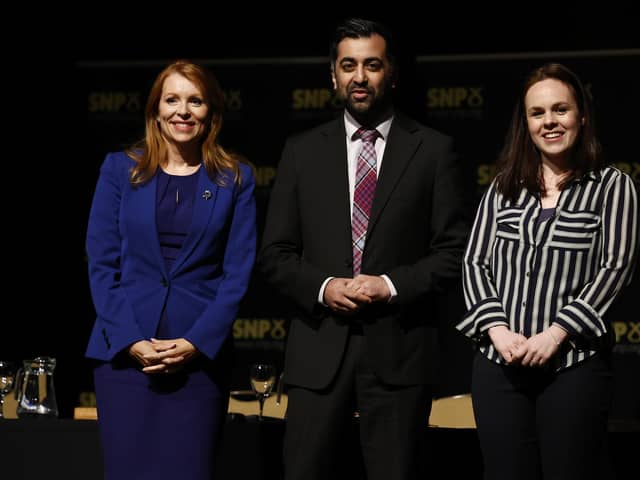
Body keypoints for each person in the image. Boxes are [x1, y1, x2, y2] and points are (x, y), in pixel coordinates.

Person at [258, 18, 469, 480]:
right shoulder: (300, 151)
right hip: (318, 355)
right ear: (331, 75)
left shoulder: (434, 151)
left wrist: (390, 285)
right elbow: (275, 253)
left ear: (391, 72)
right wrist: (325, 286)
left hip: (399, 354)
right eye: (348, 65)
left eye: (371, 64)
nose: (359, 76)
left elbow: (453, 253)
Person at [456, 63, 639, 480]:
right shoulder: (504, 185)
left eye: (560, 110)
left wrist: (556, 333)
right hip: (498, 363)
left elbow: (616, 268)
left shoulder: (613, 186)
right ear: (527, 123)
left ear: (582, 117)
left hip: (572, 366)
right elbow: (474, 262)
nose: (550, 122)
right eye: (538, 113)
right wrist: (498, 331)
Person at [85, 60, 256, 480]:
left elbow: (238, 274)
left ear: (211, 111)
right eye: (172, 99)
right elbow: (102, 264)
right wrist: (130, 340)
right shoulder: (118, 169)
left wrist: (196, 342)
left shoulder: (235, 178)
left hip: (197, 367)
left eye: (195, 100)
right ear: (155, 110)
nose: (183, 111)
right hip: (125, 362)